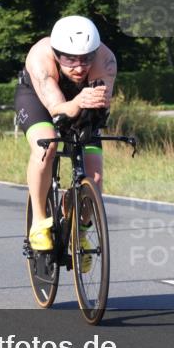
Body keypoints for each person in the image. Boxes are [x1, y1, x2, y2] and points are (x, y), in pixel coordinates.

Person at [14, 15, 117, 255]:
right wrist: (77, 102)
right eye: (70, 60)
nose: (80, 67)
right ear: (57, 53)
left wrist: (91, 105)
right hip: (38, 100)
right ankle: (39, 222)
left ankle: (79, 230)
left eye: (86, 59)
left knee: (95, 176)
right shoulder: (40, 57)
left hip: (81, 104)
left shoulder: (106, 59)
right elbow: (57, 110)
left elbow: (100, 108)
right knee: (45, 147)